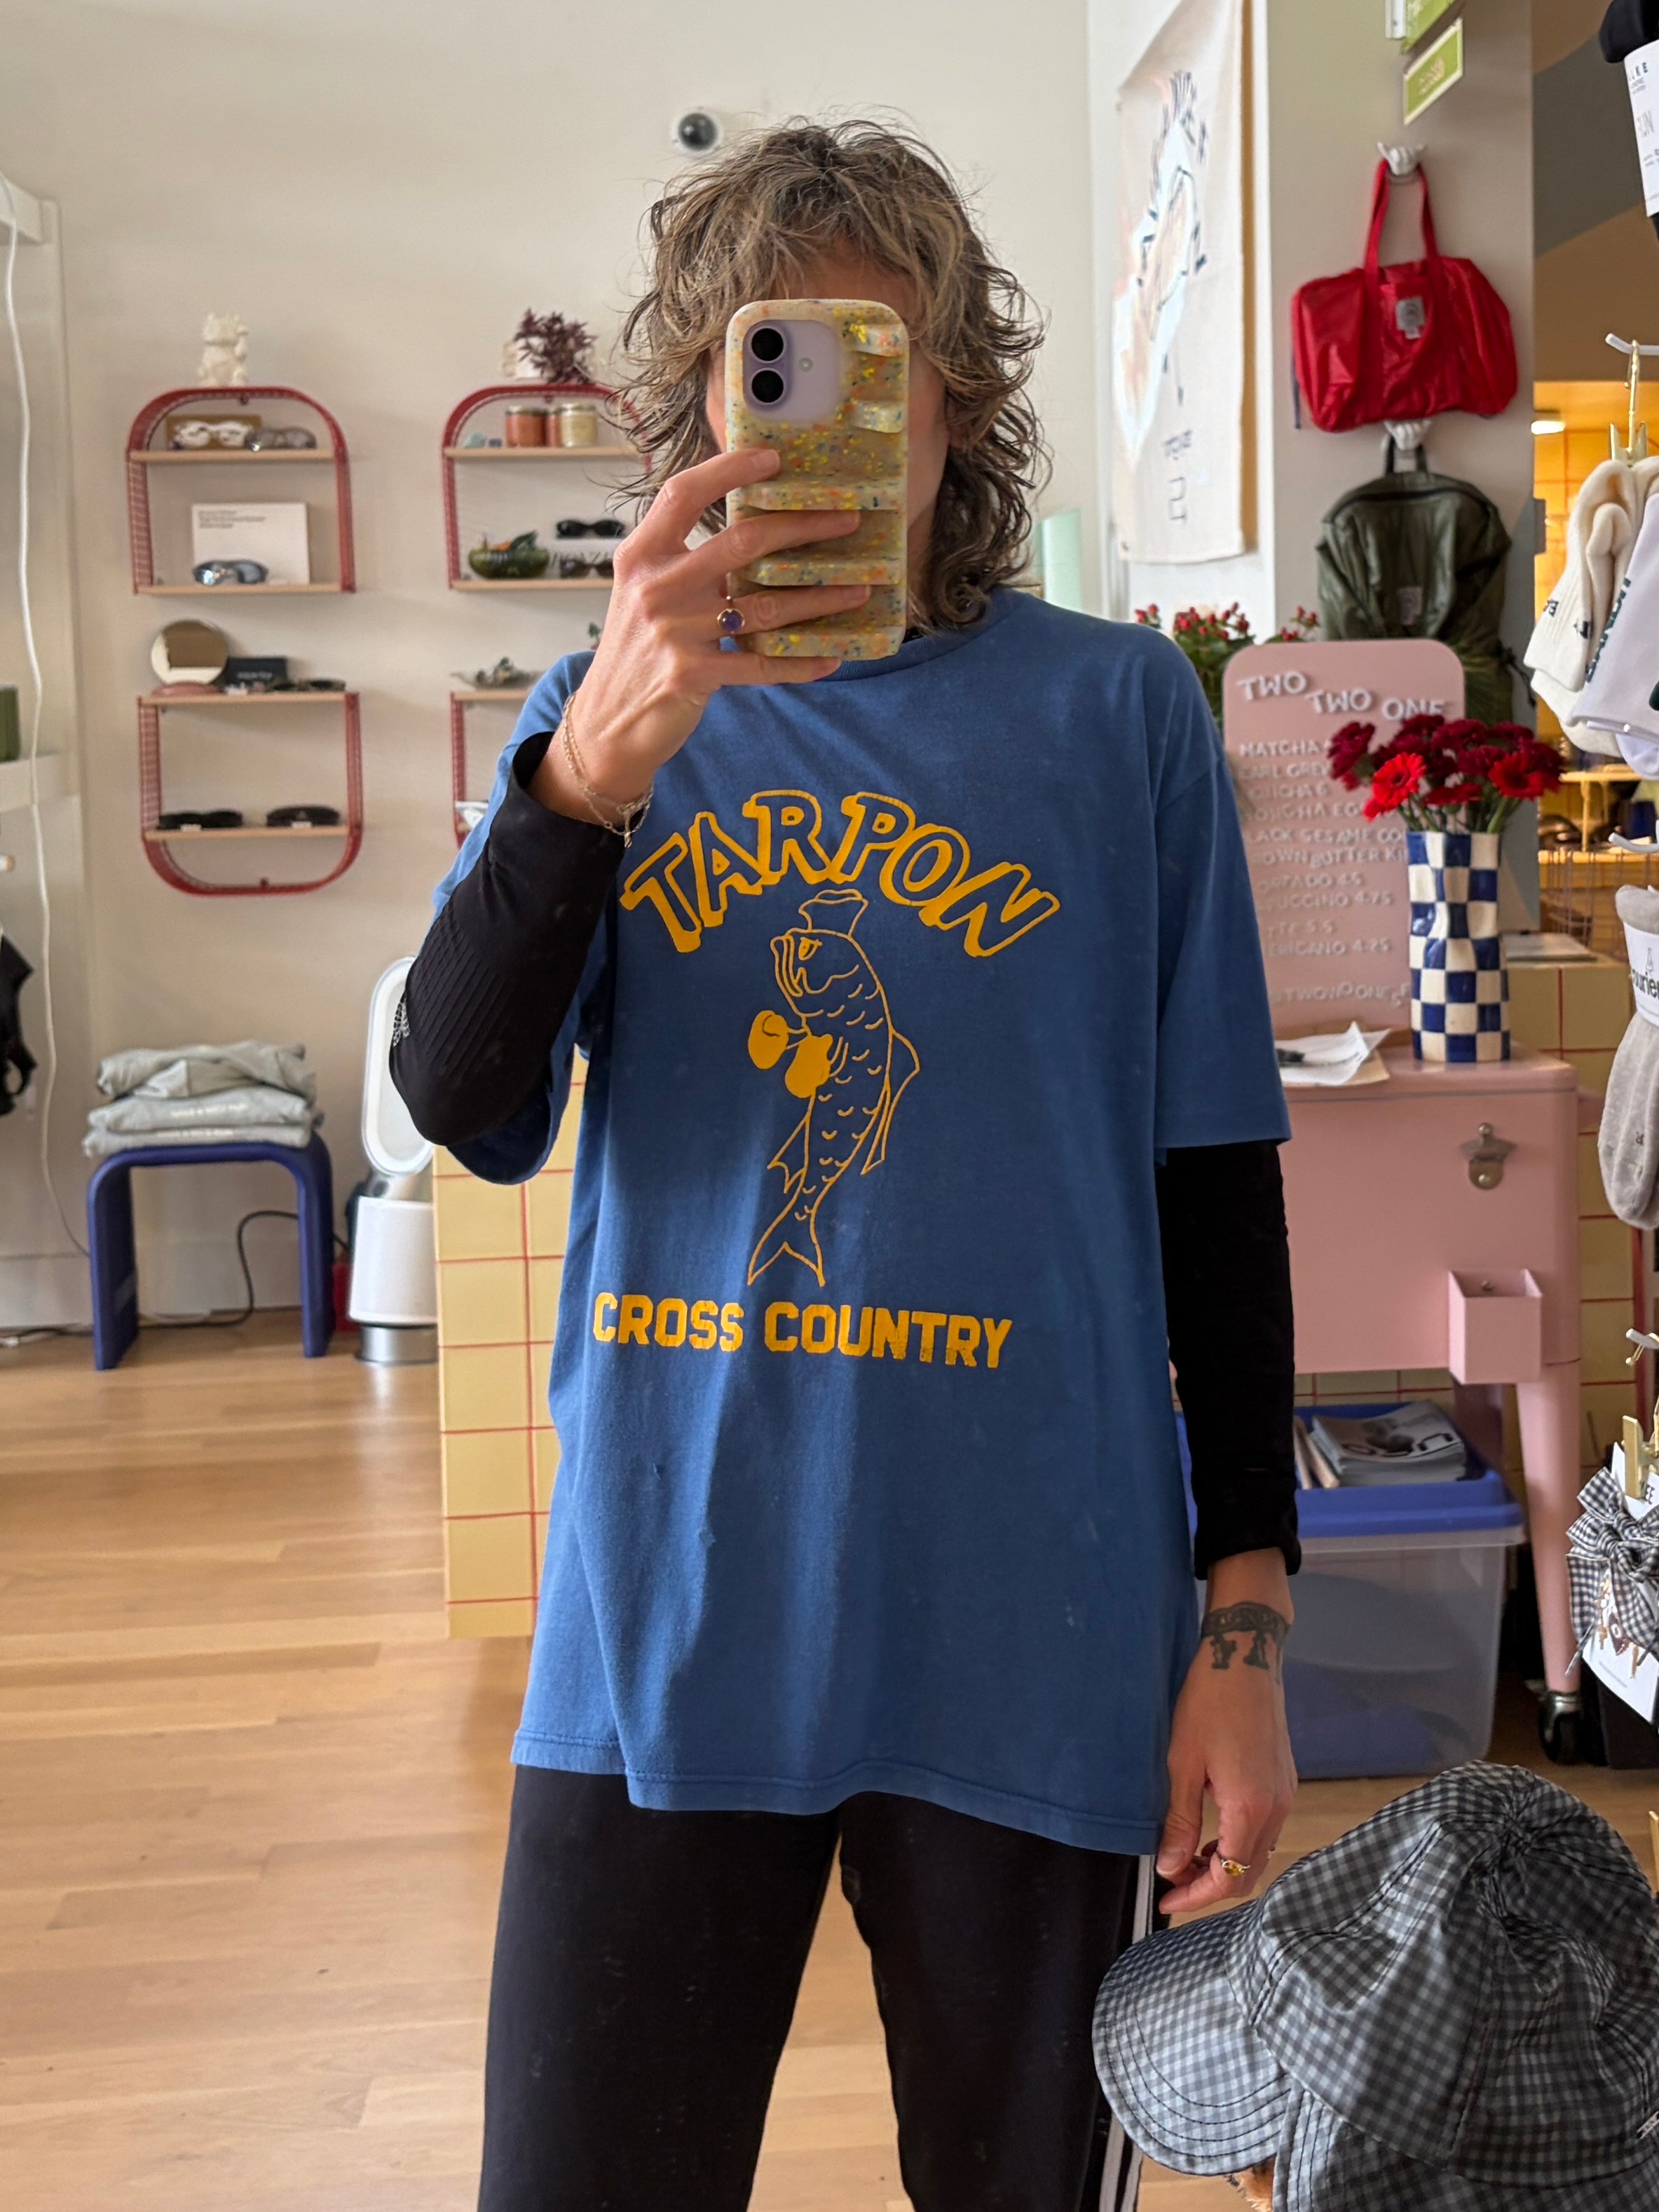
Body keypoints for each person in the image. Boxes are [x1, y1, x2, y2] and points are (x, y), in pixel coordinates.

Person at [394, 118, 1299, 2212]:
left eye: (873, 359)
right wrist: (582, 779)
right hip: (664, 1618)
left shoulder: (1121, 717)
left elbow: (1216, 1175)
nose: (825, 422)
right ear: (697, 402)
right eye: (771, 362)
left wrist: (1247, 1626)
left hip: (1038, 1628)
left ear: (957, 396)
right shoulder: (610, 712)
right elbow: (457, 1091)